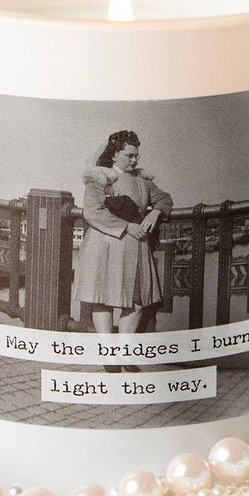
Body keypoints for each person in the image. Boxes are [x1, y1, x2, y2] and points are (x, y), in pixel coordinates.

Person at [71, 129, 173, 370]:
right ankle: (109, 354)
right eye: (129, 155)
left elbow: (165, 198)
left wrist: (156, 212)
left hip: (135, 248)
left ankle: (124, 353)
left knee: (137, 302)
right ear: (115, 154)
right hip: (105, 245)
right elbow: (93, 212)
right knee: (102, 299)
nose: (135, 160)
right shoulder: (99, 177)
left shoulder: (143, 181)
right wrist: (127, 226)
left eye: (136, 155)